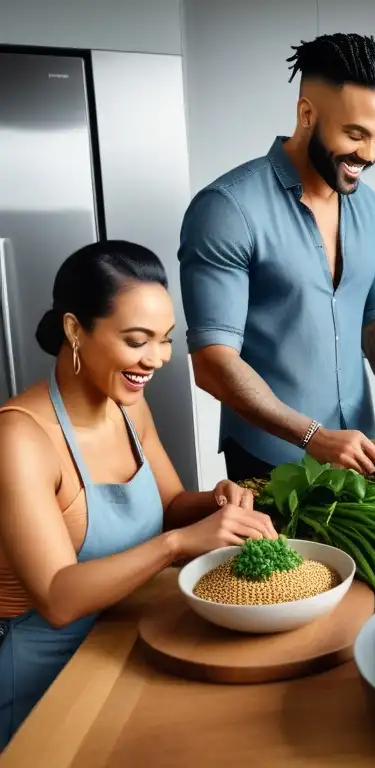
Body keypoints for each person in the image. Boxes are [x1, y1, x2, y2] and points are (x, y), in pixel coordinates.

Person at [0, 242, 276, 748]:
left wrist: (216, 501)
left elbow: (172, 508)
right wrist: (178, 545)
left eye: (165, 340)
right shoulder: (20, 439)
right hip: (44, 680)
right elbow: (60, 599)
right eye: (136, 340)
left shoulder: (127, 407)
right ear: (73, 329)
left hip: (125, 640)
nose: (157, 359)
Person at [178, 32, 375, 483]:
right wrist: (314, 437)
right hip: (268, 462)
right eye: (354, 135)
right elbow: (213, 363)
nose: (368, 156)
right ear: (307, 115)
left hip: (361, 452)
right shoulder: (227, 209)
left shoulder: (371, 209)